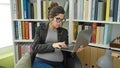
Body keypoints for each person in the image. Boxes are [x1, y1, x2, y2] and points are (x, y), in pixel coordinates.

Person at [32, 2, 84, 68]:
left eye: (62, 20)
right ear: (51, 18)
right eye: (58, 19)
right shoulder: (40, 29)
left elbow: (66, 52)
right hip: (42, 61)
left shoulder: (64, 32)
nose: (60, 23)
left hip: (59, 64)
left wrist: (75, 50)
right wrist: (53, 45)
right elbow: (35, 47)